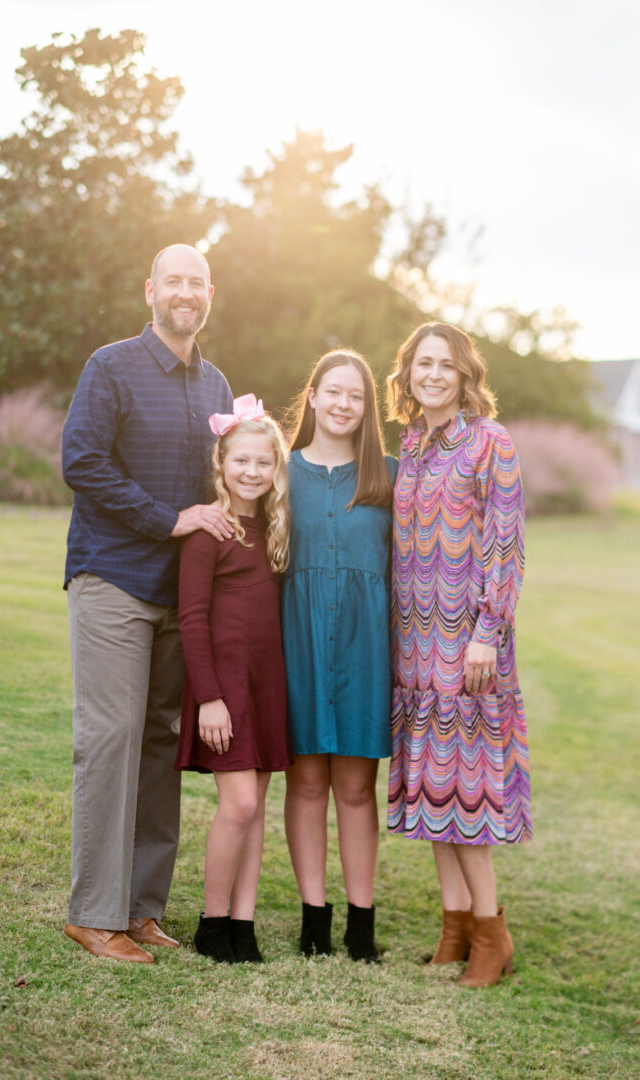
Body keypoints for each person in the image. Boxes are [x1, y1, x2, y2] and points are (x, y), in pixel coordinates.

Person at [62, 244, 234, 963]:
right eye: (174, 281)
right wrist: (170, 519)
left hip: (180, 597)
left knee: (162, 746)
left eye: (197, 282)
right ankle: (93, 913)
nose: (185, 293)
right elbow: (82, 462)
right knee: (112, 737)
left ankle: (140, 908)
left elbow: (226, 483)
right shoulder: (111, 367)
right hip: (113, 579)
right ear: (150, 291)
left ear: (209, 294)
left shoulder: (218, 385)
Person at [386, 322, 531, 988]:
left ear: (464, 373)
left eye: (446, 364)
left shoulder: (488, 442)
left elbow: (505, 545)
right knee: (436, 799)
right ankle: (454, 928)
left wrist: (486, 632)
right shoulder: (412, 445)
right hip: (415, 648)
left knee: (466, 798)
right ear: (408, 373)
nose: (434, 374)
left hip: (467, 646)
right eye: (423, 363)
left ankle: (492, 938)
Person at [282, 350, 396, 962]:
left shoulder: (388, 477)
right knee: (304, 782)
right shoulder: (280, 470)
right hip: (295, 641)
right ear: (314, 396)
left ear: (366, 407)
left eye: (356, 395)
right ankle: (313, 917)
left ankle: (361, 921)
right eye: (334, 392)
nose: (344, 404)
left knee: (355, 787)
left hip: (363, 648)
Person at [175, 396, 293, 963]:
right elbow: (192, 620)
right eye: (240, 461)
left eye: (262, 463)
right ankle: (211, 920)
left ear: (276, 469)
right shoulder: (208, 531)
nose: (251, 472)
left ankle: (243, 927)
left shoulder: (273, 527)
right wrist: (209, 699)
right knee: (239, 804)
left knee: (257, 806)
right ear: (221, 463)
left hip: (267, 682)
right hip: (223, 687)